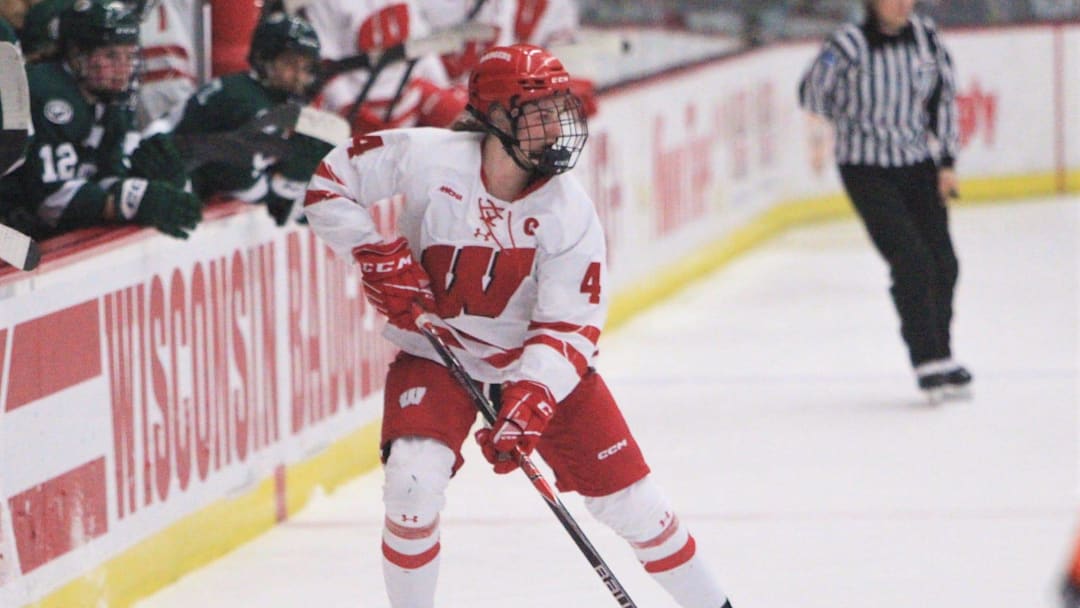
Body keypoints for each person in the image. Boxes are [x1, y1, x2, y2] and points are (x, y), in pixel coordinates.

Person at [304, 43, 734, 608]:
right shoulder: (431, 158)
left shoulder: (569, 211)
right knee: (412, 483)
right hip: (439, 353)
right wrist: (373, 251)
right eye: (540, 110)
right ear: (499, 116)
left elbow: (570, 326)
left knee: (635, 505)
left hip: (535, 368)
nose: (557, 124)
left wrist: (531, 398)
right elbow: (329, 182)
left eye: (559, 108)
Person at [798, 0, 971, 403]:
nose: (901, 5)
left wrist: (946, 161)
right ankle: (925, 357)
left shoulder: (926, 38)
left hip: (917, 165)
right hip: (867, 168)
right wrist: (834, 122)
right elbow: (812, 91)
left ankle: (942, 352)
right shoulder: (848, 44)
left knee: (944, 262)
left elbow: (943, 98)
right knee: (911, 260)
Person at [0, 0, 200, 240]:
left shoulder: (110, 97)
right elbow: (52, 202)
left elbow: (106, 172)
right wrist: (130, 202)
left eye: (129, 55)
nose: (123, 68)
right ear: (76, 55)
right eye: (111, 55)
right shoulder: (48, 94)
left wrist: (144, 184)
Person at [171, 11, 328, 225]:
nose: (300, 77)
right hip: (169, 188)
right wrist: (278, 197)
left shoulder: (249, 90)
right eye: (291, 64)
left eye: (306, 68)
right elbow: (236, 177)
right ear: (265, 59)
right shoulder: (250, 104)